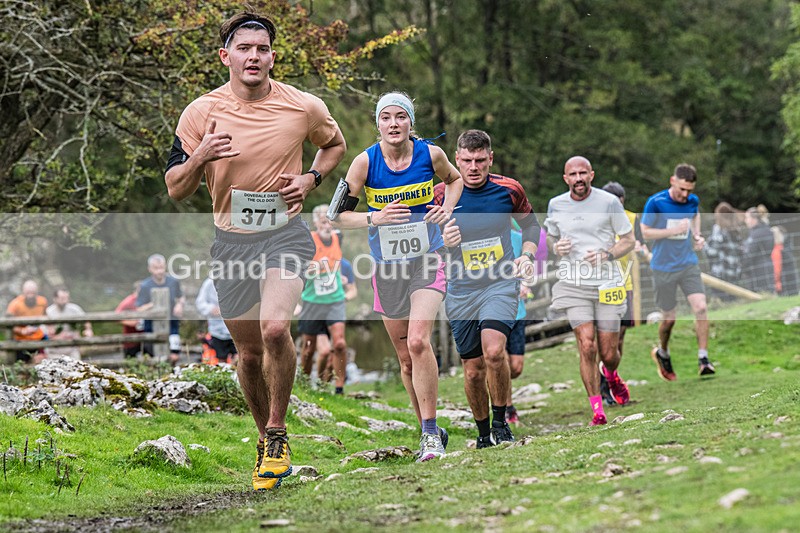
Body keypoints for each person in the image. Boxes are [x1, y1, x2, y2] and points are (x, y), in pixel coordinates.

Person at [164, 10, 346, 491]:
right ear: (225, 56)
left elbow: (334, 145)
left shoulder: (303, 105)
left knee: (274, 327)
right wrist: (201, 154)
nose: (253, 56)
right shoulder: (200, 112)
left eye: (262, 48)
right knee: (246, 353)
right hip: (231, 242)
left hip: (284, 233)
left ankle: (278, 431)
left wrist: (311, 179)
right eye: (244, 48)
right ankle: (264, 443)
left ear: (272, 56)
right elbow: (175, 188)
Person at [334, 91, 462, 461]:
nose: (393, 124)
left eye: (400, 117)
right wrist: (375, 217)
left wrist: (446, 208)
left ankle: (429, 436)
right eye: (386, 118)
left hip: (428, 259)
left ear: (410, 122)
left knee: (420, 342)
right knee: (406, 359)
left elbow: (454, 181)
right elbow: (336, 216)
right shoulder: (364, 163)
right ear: (378, 125)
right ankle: (430, 428)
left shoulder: (430, 155)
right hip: (387, 268)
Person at [436, 129, 540, 447]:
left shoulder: (508, 190)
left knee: (494, 352)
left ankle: (501, 423)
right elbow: (425, 243)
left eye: (480, 160)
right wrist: (442, 240)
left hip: (500, 284)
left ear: (490, 159)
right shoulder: (441, 194)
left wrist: (527, 254)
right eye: (467, 160)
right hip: (461, 290)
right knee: (472, 369)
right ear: (456, 159)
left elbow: (532, 225)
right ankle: (483, 433)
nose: (473, 167)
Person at [545, 156, 633, 426]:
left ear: (592, 175)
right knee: (586, 345)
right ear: (565, 178)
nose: (579, 178)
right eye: (573, 174)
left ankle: (612, 375)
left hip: (607, 282)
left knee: (609, 352)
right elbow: (550, 237)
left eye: (583, 173)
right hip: (574, 283)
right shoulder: (556, 205)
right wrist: (555, 247)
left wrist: (607, 254)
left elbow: (629, 240)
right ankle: (597, 409)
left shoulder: (608, 202)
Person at [641, 163, 714, 379]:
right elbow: (645, 232)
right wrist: (672, 230)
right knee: (669, 319)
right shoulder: (656, 202)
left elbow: (695, 214)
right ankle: (662, 352)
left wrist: (697, 236)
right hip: (663, 267)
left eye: (689, 190)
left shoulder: (692, 200)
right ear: (672, 181)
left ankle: (703, 358)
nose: (685, 194)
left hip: (688, 264)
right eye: (682, 189)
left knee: (701, 308)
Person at [297, 204, 349, 394]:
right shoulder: (309, 240)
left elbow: (337, 262)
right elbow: (302, 269)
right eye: (323, 222)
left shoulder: (338, 238)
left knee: (340, 344)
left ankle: (339, 387)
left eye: (330, 221)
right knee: (309, 349)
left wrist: (339, 276)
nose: (327, 226)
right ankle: (303, 384)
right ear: (316, 223)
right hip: (312, 300)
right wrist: (316, 268)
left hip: (335, 298)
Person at [598, 182, 642, 405]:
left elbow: (639, 243)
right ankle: (603, 388)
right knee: (603, 339)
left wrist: (641, 248)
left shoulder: (631, 219)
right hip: (602, 286)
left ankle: (612, 377)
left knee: (620, 336)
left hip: (625, 286)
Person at [315, 257, 358, 385]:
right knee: (324, 352)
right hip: (317, 313)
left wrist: (343, 297)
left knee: (337, 348)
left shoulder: (345, 264)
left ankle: (332, 388)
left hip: (336, 312)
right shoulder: (314, 262)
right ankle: (318, 383)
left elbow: (353, 290)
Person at [136, 254, 185, 365]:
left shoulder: (173, 282)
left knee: (174, 355)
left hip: (172, 324)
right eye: (156, 268)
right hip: (151, 327)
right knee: (153, 357)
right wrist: (154, 305)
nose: (159, 271)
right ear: (150, 269)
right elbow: (139, 308)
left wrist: (179, 305)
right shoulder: (145, 286)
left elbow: (180, 297)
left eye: (161, 267)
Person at [704, 202, 743, 300]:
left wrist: (704, 245)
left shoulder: (719, 229)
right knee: (733, 302)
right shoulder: (736, 230)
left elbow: (712, 252)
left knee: (722, 302)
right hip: (734, 273)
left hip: (721, 274)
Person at [196, 275, 237, 366]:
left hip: (236, 330)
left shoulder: (237, 281)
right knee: (221, 359)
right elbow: (200, 303)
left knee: (238, 358)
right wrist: (211, 309)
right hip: (217, 331)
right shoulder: (209, 284)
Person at [6, 280, 48, 363]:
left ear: (36, 292)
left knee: (41, 362)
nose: (31, 295)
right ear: (23, 292)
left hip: (38, 338)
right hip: (21, 340)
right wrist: (22, 331)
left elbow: (46, 317)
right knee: (22, 364)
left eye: (33, 292)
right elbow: (8, 324)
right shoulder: (15, 304)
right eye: (28, 292)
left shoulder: (42, 301)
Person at [45, 288, 93, 360]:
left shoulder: (74, 309)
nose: (64, 301)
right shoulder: (49, 311)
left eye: (66, 298)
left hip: (72, 347)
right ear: (55, 299)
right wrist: (58, 336)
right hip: (55, 348)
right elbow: (47, 332)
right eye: (62, 298)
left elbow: (85, 320)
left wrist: (88, 330)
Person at [742, 207, 775, 293]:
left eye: (747, 218)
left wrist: (743, 266)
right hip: (766, 266)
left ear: (754, 218)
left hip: (758, 270)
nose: (745, 221)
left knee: (761, 294)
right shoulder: (766, 230)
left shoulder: (757, 233)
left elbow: (750, 253)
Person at [116, 282, 144, 358]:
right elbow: (116, 317)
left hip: (145, 338)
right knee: (130, 361)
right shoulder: (128, 301)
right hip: (130, 340)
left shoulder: (146, 301)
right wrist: (132, 323)